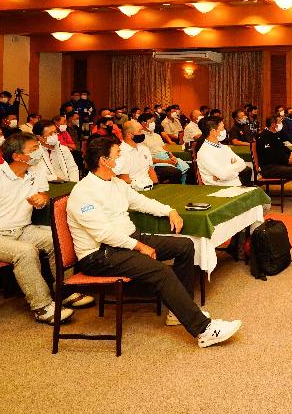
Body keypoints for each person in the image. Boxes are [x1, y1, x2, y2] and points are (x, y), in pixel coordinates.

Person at [67, 136, 241, 347]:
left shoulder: (115, 183)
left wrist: (170, 211)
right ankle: (203, 330)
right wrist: (139, 246)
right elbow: (103, 233)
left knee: (185, 246)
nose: (121, 158)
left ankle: (179, 311)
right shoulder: (83, 192)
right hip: (99, 254)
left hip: (127, 240)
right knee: (161, 271)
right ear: (104, 160)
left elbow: (140, 202)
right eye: (117, 155)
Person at [0, 133, 93, 324]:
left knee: (57, 239)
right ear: (17, 156)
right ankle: (42, 306)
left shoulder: (35, 171)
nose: (39, 152)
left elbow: (43, 193)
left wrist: (41, 199)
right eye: (34, 149)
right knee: (26, 252)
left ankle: (64, 291)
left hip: (20, 230)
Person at [196, 117, 251, 187]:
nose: (224, 131)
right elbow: (223, 175)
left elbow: (242, 164)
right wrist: (234, 168)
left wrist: (223, 173)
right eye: (222, 128)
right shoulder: (204, 153)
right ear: (213, 131)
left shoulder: (224, 147)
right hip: (219, 188)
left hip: (235, 185)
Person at [30, 119, 80, 190]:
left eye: (55, 132)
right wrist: (53, 178)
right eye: (50, 134)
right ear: (39, 137)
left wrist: (73, 185)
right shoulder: (33, 152)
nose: (54, 135)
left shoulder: (63, 149)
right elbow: (33, 173)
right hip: (46, 186)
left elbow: (72, 168)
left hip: (66, 184)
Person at [114, 120, 163, 190]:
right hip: (133, 189)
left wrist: (156, 186)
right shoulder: (121, 152)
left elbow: (150, 170)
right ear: (129, 134)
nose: (142, 134)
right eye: (139, 131)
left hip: (149, 185)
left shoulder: (144, 149)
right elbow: (124, 179)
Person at [140, 113, 187, 184]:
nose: (153, 124)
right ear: (143, 123)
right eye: (151, 122)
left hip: (166, 158)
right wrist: (167, 161)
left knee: (188, 168)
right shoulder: (141, 138)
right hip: (156, 163)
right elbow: (147, 159)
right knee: (175, 172)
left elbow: (165, 148)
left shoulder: (157, 135)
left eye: (154, 122)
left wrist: (172, 157)